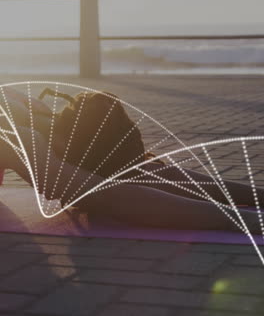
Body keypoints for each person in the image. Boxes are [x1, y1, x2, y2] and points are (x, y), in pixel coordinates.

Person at [0, 86, 262, 234]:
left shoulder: (35, 114)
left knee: (135, 174)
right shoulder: (19, 130)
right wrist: (237, 219)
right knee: (99, 183)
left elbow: (126, 181)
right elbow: (102, 194)